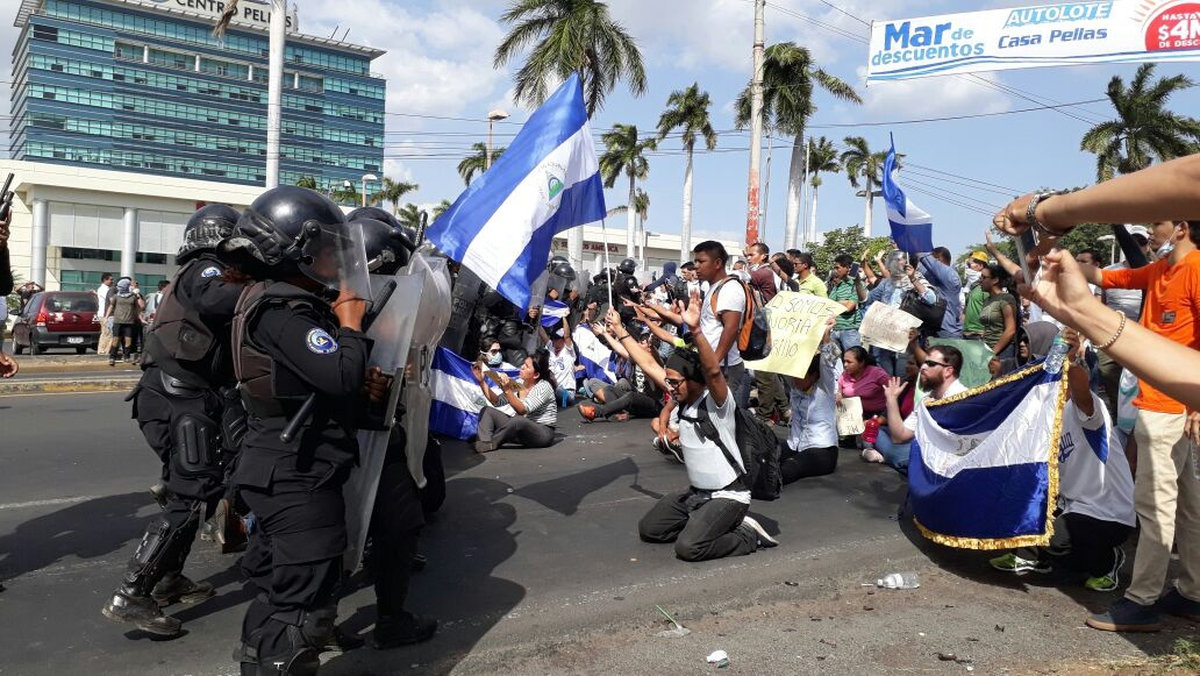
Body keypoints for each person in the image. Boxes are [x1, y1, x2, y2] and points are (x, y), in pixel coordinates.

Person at [219, 186, 379, 675]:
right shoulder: (284, 310)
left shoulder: (274, 301)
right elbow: (340, 377)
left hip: (290, 462)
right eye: (326, 247)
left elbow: (326, 386)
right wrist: (350, 324)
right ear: (295, 250)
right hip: (295, 472)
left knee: (285, 592)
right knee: (296, 609)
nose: (334, 257)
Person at [100, 204, 246, 637]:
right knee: (191, 492)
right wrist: (267, 285)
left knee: (198, 489)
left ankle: (167, 578)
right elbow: (218, 298)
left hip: (185, 399)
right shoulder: (204, 269)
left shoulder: (209, 270)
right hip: (178, 400)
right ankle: (131, 593)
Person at [1066, 219, 1200, 632]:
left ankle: (1141, 601)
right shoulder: (1160, 270)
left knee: (1155, 508)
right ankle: (1193, 592)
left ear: (1179, 228)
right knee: (1188, 506)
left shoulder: (1196, 268)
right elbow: (1103, 275)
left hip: (1171, 406)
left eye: (1157, 222)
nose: (1151, 231)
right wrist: (1060, 258)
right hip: (1157, 403)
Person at [613, 294, 778, 562]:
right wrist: (620, 330)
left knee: (690, 548)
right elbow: (646, 363)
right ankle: (705, 521)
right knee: (650, 529)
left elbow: (713, 372)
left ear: (695, 382)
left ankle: (747, 534)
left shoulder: (718, 404)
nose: (670, 387)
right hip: (698, 494)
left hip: (729, 496)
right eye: (669, 381)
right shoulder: (682, 399)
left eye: (676, 382)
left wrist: (696, 330)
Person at [988, 330, 1135, 593]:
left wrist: (1072, 362)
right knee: (1021, 497)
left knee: (1058, 540)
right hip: (1072, 506)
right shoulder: (1047, 418)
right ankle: (1039, 557)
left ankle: (1106, 561)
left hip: (1107, 512)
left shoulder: (1089, 410)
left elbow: (1081, 393)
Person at [879, 345, 968, 473]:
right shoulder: (926, 401)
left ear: (948, 371)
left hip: (949, 466)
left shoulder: (964, 399)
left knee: (898, 454)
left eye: (930, 364)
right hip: (926, 456)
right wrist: (892, 400)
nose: (923, 367)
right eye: (924, 362)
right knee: (878, 433)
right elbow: (899, 436)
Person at [782, 319, 841, 482]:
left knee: (790, 467)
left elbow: (829, 361)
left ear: (814, 376)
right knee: (766, 454)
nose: (794, 381)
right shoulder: (794, 385)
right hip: (796, 444)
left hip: (822, 451)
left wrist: (826, 337)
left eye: (800, 377)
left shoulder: (825, 387)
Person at [693, 240, 749, 410]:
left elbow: (731, 328)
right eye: (695, 261)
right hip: (714, 365)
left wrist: (714, 363)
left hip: (726, 369)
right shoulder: (713, 288)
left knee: (728, 424)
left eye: (701, 261)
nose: (696, 266)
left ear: (717, 263)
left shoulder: (730, 288)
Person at [864, 251, 938, 376]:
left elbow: (931, 299)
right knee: (885, 376)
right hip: (884, 336)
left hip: (906, 337)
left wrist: (913, 279)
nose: (895, 263)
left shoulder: (916, 278)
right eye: (893, 260)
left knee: (902, 373)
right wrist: (856, 283)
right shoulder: (887, 283)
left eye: (899, 260)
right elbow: (868, 299)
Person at [471, 348, 558, 452]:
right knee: (487, 411)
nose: (522, 367)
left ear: (536, 375)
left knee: (518, 420)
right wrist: (482, 382)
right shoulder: (520, 382)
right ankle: (484, 442)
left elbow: (522, 410)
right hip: (521, 430)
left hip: (541, 433)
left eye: (526, 366)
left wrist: (507, 389)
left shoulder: (544, 387)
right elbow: (497, 402)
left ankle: (492, 443)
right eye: (523, 364)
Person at [578, 321, 663, 422]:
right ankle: (617, 414)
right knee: (609, 389)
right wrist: (604, 333)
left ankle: (596, 412)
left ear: (649, 348)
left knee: (631, 396)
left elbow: (656, 357)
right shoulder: (636, 358)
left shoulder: (656, 363)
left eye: (643, 343)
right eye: (639, 342)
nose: (638, 345)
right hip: (638, 400)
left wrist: (652, 346)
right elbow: (619, 348)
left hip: (654, 405)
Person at [745, 242, 786, 425]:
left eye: (751, 254)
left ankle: (765, 414)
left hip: (766, 326)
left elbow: (742, 277)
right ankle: (783, 408)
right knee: (768, 371)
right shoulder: (765, 272)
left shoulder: (763, 272)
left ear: (763, 256)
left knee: (763, 372)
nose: (748, 257)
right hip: (763, 324)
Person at [977, 264, 1019, 372]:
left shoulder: (1006, 299)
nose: (980, 280)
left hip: (1002, 352)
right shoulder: (987, 300)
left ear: (995, 280)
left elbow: (1010, 330)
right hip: (987, 349)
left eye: (983, 277)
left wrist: (993, 352)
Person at [917, 247, 963, 338]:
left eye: (933, 260)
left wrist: (914, 243)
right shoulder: (934, 275)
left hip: (947, 331)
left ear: (938, 260)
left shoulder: (950, 275)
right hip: (932, 328)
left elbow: (923, 257)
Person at [104, 277, 145, 365]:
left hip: (129, 322)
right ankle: (112, 357)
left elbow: (138, 309)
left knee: (128, 340)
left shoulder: (133, 297)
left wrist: (141, 319)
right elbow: (111, 306)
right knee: (116, 339)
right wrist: (106, 317)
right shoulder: (116, 296)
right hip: (118, 321)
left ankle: (127, 357)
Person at [828, 254, 863, 351]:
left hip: (850, 330)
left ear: (847, 268)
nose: (835, 270)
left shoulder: (856, 285)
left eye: (837, 267)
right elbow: (829, 304)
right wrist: (843, 302)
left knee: (853, 361)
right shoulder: (838, 285)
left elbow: (849, 307)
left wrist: (837, 303)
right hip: (835, 329)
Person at [543, 319, 578, 408]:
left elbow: (567, 335)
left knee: (555, 390)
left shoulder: (568, 350)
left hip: (567, 392)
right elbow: (542, 334)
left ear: (562, 340)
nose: (554, 341)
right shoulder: (550, 347)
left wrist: (564, 317)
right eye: (553, 338)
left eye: (557, 339)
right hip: (553, 389)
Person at [96, 272, 115, 354]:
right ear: (105, 280)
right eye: (111, 279)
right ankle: (102, 350)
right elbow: (111, 301)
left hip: (106, 314)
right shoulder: (104, 290)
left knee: (108, 333)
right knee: (106, 333)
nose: (112, 281)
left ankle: (106, 350)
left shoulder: (107, 289)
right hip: (104, 315)